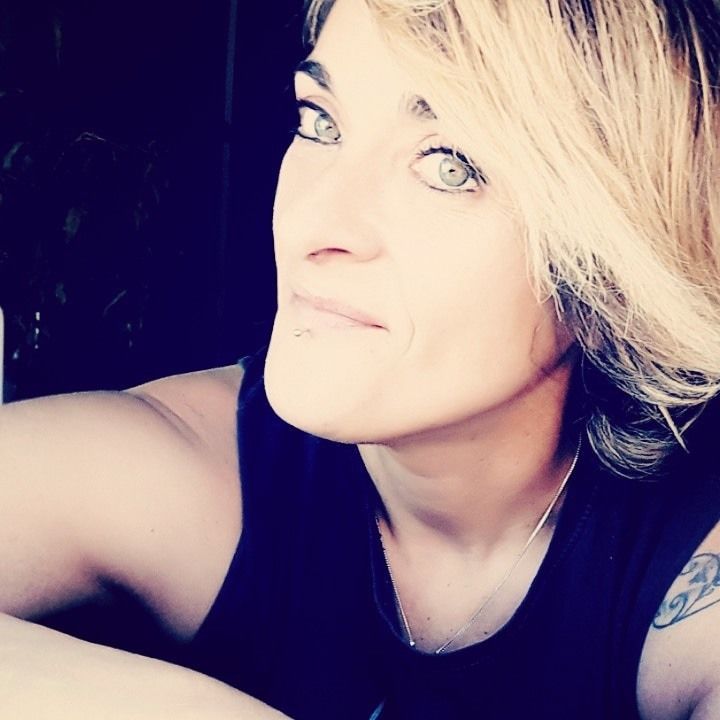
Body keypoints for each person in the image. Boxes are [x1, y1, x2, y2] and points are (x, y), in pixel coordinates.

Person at [1, 0, 719, 717]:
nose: (312, 221)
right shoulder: (193, 472)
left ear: (621, 267)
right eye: (322, 122)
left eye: (450, 165)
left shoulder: (687, 573)